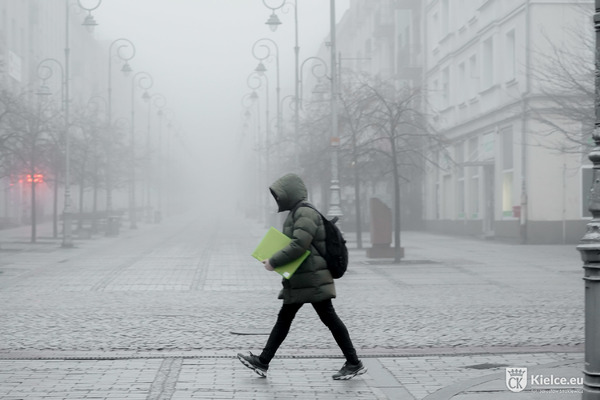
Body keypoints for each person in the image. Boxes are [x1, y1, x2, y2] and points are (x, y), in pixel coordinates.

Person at [237, 173, 366, 380]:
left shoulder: (304, 213)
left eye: (279, 195)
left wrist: (274, 261)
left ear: (290, 193)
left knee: (323, 319)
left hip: (311, 279)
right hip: (304, 278)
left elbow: (299, 244)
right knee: (290, 319)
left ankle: (354, 362)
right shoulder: (299, 212)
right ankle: (263, 361)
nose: (277, 199)